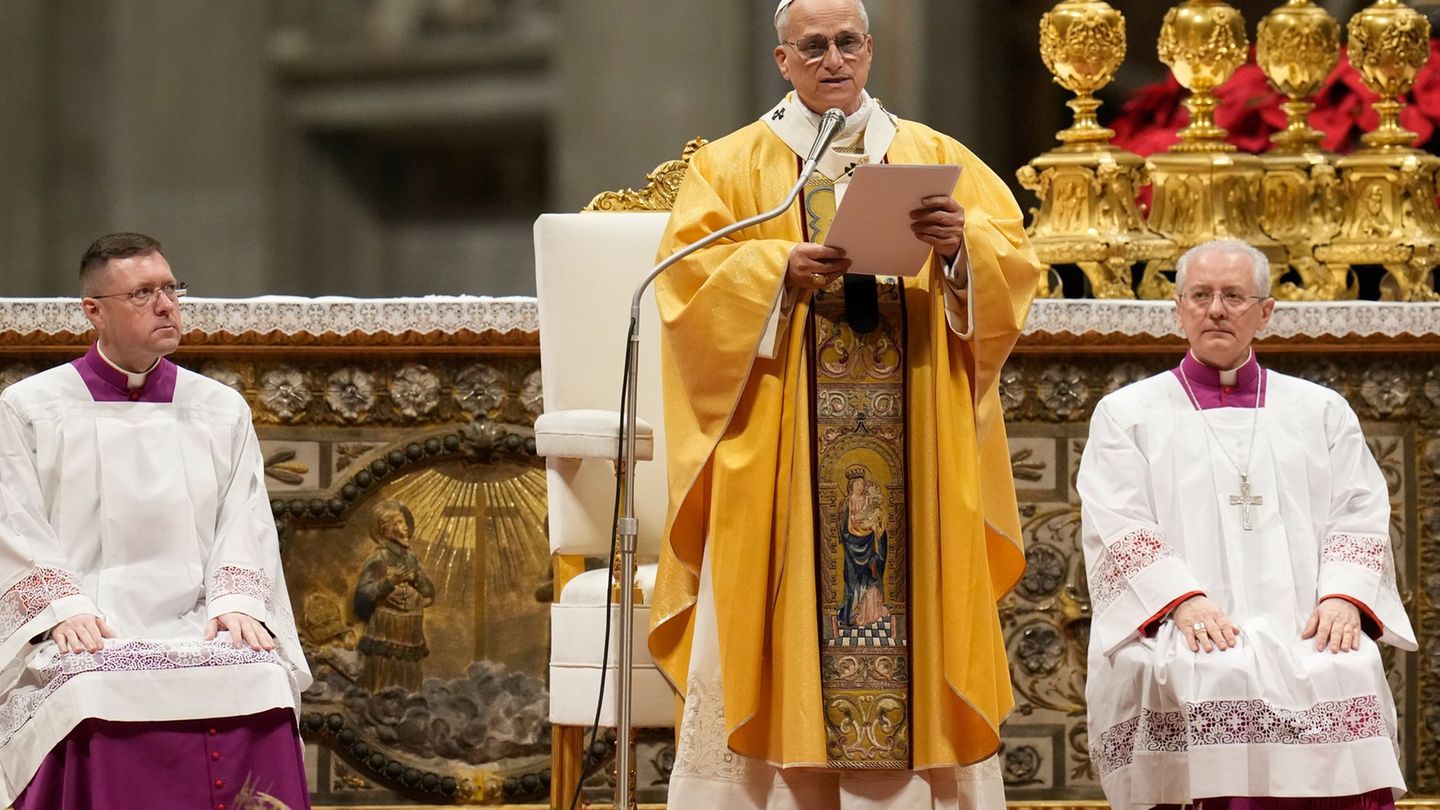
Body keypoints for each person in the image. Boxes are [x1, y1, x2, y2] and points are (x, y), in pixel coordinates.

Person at [646, 0, 1042, 806]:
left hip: (917, 434)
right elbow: (685, 295)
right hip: (784, 448)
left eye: (849, 42)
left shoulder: (934, 155)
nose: (835, 59)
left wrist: (961, 248)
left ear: (870, 49)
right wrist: (773, 274)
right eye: (814, 46)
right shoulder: (731, 168)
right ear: (782, 61)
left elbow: (1013, 268)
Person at [1077, 239, 1415, 810]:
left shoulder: (1318, 410)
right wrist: (1180, 602)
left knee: (1349, 667)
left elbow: (1359, 510)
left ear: (1265, 312)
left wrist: (1342, 599)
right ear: (1178, 308)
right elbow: (1119, 520)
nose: (1216, 309)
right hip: (1188, 621)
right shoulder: (1129, 413)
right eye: (1201, 295)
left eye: (1234, 296)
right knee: (1216, 673)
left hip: (1305, 620)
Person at [0, 233, 313, 808]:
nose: (166, 305)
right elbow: (11, 520)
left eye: (171, 288)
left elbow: (245, 516)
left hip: (198, 616)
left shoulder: (218, 407)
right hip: (91, 619)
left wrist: (237, 601)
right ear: (94, 311)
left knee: (262, 676)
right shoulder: (32, 407)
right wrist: (61, 608)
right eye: (142, 293)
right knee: (86, 685)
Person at [354, 499, 436, 692]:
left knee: (409, 678)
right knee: (385, 676)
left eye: (405, 523)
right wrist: (389, 583)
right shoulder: (378, 559)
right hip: (386, 630)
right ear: (386, 530)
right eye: (398, 523)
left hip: (410, 631)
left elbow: (429, 592)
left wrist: (415, 578)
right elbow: (362, 596)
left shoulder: (410, 558)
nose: (405, 528)